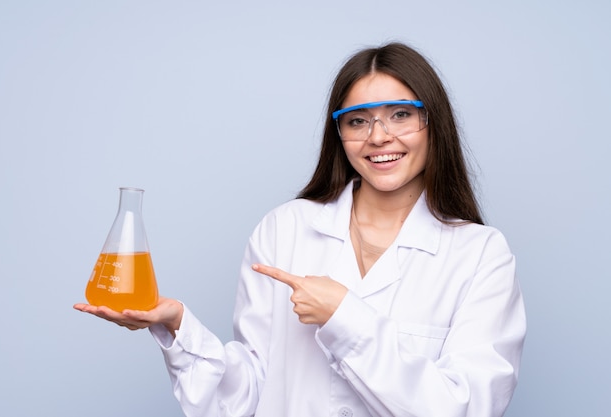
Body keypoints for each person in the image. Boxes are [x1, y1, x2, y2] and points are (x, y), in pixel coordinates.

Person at [74, 42, 526, 417]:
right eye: (358, 121)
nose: (379, 136)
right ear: (340, 134)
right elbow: (244, 396)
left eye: (401, 115)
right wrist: (178, 328)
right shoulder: (284, 229)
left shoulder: (480, 254)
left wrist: (345, 317)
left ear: (433, 123)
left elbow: (464, 407)